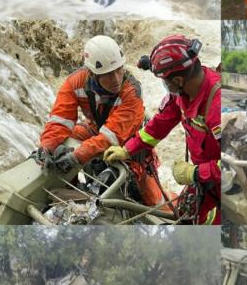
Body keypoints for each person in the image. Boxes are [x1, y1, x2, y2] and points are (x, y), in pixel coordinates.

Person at [103, 35, 221, 225]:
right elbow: (159, 125)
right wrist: (128, 149)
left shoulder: (217, 109)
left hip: (228, 183)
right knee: (185, 215)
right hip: (205, 179)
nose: (166, 86)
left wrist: (196, 173)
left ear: (179, 80)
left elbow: (235, 166)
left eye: (166, 82)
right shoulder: (183, 94)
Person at [35, 35, 163, 206]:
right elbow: (60, 121)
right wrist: (46, 147)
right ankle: (70, 188)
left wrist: (76, 157)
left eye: (119, 70)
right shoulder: (75, 83)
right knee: (62, 144)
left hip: (129, 144)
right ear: (92, 74)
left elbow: (112, 137)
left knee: (154, 201)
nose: (116, 79)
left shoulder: (132, 91)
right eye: (109, 74)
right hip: (96, 130)